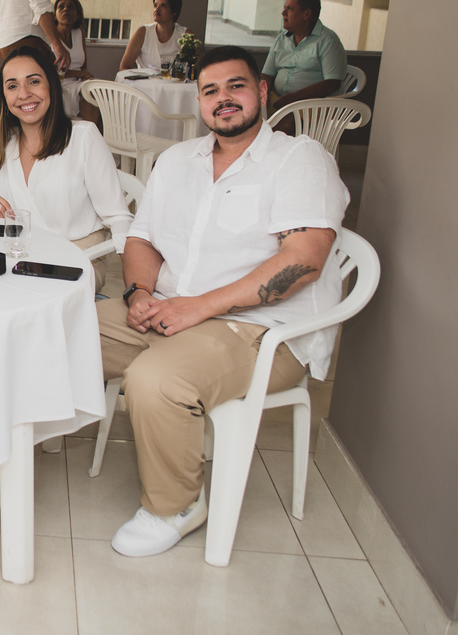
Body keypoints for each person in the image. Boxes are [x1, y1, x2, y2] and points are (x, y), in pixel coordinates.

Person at [98, 45, 349, 558]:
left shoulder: (299, 159)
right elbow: (141, 238)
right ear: (199, 102)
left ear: (262, 91)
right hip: (168, 309)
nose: (223, 98)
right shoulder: (177, 161)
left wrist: (200, 306)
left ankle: (176, 505)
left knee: (156, 382)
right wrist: (139, 292)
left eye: (236, 86)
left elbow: (304, 260)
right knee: (56, 329)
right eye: (210, 90)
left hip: (261, 330)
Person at [0, 45, 132, 294]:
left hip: (76, 258)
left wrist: (136, 290)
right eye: (12, 86)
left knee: (16, 293)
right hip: (14, 256)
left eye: (34, 81)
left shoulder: (83, 137)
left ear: (51, 85)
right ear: (4, 97)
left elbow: (119, 218)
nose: (24, 94)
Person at [261, 0, 347, 111]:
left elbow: (332, 83)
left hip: (311, 105)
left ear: (306, 14)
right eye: (285, 8)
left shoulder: (328, 40)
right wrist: (263, 93)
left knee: (286, 119)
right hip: (278, 101)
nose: (283, 13)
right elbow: (267, 74)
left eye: (290, 9)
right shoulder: (281, 39)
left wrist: (292, 99)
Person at [120, 0, 191, 72]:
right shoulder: (142, 32)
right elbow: (124, 67)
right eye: (155, 5)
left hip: (174, 80)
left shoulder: (186, 35)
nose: (157, 10)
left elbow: (194, 69)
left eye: (163, 6)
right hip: (144, 80)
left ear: (174, 12)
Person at [53, 0, 97, 121]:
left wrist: (85, 75)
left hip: (78, 81)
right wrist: (78, 73)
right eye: (61, 7)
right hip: (58, 82)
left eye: (71, 7)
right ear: (55, 15)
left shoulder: (79, 33)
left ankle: (96, 130)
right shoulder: (50, 37)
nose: (66, 9)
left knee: (99, 90)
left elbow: (83, 67)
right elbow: (49, 71)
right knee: (89, 92)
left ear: (77, 15)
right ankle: (90, 129)